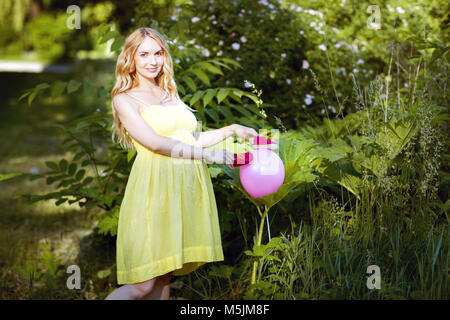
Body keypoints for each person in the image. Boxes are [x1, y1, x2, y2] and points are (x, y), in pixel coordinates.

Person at [104, 27, 258, 300]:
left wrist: (230, 129)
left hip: (181, 189)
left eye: (158, 53)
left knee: (165, 275)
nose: (152, 61)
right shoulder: (124, 99)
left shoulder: (167, 92)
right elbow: (154, 142)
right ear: (130, 57)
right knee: (142, 284)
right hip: (154, 188)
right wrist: (208, 156)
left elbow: (190, 138)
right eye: (144, 54)